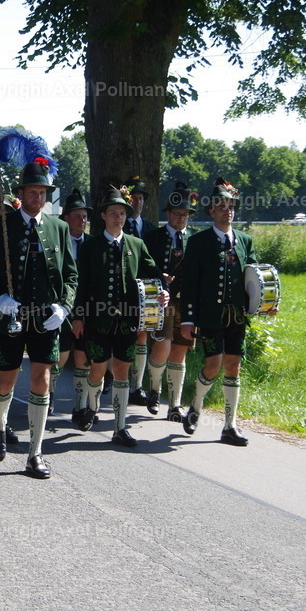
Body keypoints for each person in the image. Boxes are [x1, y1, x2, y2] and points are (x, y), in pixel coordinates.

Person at [0, 158, 78, 479]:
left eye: (43, 192)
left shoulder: (59, 228)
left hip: (46, 319)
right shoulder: (2, 226)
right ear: (21, 193)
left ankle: (35, 453)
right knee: (5, 380)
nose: (38, 198)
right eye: (33, 192)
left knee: (42, 379)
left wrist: (64, 306)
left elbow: (71, 275)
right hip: (12, 318)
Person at [179, 177, 276, 446]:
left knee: (233, 366)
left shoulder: (245, 241)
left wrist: (266, 304)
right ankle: (196, 405)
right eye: (222, 207)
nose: (227, 211)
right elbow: (189, 283)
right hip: (210, 315)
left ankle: (230, 426)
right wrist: (187, 319)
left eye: (231, 207)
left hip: (238, 315)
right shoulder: (199, 242)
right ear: (212, 211)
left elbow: (255, 278)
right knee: (213, 365)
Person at [70, 188, 169, 446]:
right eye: (113, 213)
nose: (118, 218)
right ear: (103, 215)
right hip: (97, 320)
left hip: (127, 321)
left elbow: (154, 273)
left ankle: (120, 427)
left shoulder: (136, 245)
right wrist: (78, 316)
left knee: (123, 370)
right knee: (98, 369)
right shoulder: (91, 246)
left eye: (122, 213)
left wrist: (164, 292)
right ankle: (91, 407)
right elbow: (80, 285)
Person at [143, 181, 199, 421]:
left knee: (180, 351)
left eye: (185, 215)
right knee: (161, 348)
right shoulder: (153, 237)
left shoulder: (196, 239)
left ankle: (174, 404)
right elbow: (143, 266)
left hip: (186, 301)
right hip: (160, 301)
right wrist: (159, 276)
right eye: (177, 214)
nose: (181, 218)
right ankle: (154, 390)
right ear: (168, 213)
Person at [122, 174, 159, 407]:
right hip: (123, 291)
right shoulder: (118, 223)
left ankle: (137, 386)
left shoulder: (152, 229)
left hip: (146, 292)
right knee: (122, 335)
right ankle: (118, 379)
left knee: (143, 335)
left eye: (141, 198)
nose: (138, 202)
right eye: (134, 198)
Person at [55, 188, 92, 424]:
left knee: (84, 359)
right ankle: (47, 397)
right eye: (77, 216)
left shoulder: (92, 244)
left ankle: (80, 407)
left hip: (87, 311)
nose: (82, 220)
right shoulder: (56, 243)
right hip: (61, 309)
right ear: (66, 219)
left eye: (85, 216)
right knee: (59, 357)